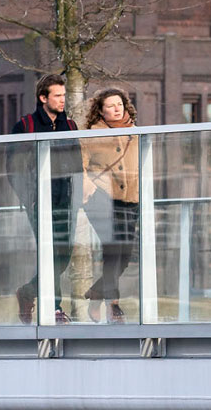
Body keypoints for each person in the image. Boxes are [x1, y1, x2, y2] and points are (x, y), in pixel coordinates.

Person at [6, 74, 77, 325]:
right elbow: (13, 166)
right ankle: (54, 308)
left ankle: (28, 291)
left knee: (64, 255)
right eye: (57, 96)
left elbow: (77, 162)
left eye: (64, 95)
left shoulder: (70, 126)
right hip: (39, 201)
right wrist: (29, 199)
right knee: (50, 252)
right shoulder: (25, 126)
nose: (62, 100)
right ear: (43, 98)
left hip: (65, 200)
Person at [80, 88, 139, 323]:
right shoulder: (91, 135)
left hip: (130, 199)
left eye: (119, 104)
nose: (117, 109)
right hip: (102, 196)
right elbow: (80, 164)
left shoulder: (136, 132)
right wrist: (87, 188)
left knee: (124, 256)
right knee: (113, 248)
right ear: (101, 110)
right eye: (111, 106)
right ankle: (113, 305)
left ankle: (97, 292)